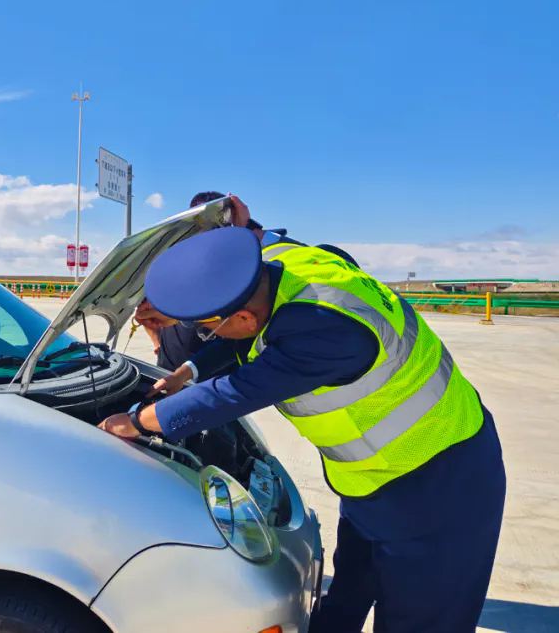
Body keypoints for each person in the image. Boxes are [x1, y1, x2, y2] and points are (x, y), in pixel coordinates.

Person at [100, 227, 505, 633]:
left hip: (440, 486)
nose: (210, 337)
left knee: (420, 620)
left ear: (242, 317)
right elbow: (241, 332)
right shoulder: (279, 262)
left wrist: (136, 422)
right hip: (372, 482)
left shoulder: (324, 332)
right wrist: (186, 371)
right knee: (347, 595)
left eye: (207, 328)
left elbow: (231, 394)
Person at [137, 191, 359, 383]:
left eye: (212, 229)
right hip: (175, 367)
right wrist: (161, 344)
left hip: (220, 376)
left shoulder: (253, 270)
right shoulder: (189, 266)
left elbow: (238, 341)